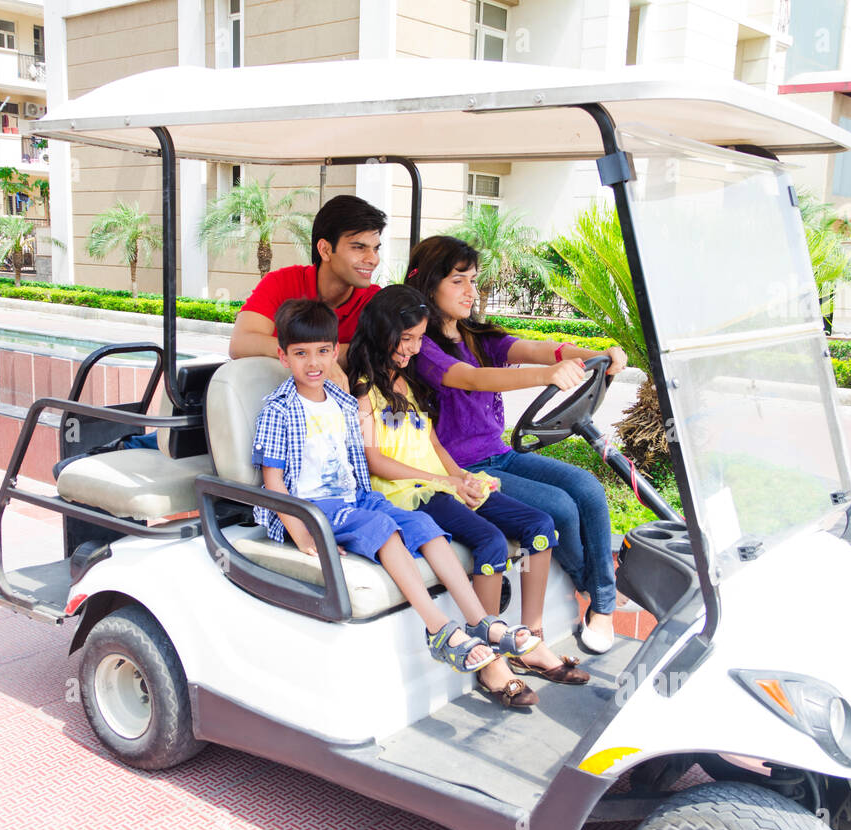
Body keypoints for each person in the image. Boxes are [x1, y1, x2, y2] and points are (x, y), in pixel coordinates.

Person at [252, 297, 541, 707]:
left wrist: (449, 479)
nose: (312, 363)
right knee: (383, 529)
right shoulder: (278, 410)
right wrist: (302, 534)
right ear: (283, 356)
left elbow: (359, 466)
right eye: (300, 354)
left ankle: (482, 622)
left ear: (335, 352)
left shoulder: (341, 402)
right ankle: (439, 628)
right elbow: (273, 481)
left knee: (424, 528)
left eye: (321, 352)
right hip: (314, 509)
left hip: (356, 498)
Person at [346, 285, 590, 685]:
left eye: (419, 339)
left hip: (442, 482)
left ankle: (530, 640)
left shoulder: (407, 383)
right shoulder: (361, 387)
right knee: (491, 540)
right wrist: (444, 481)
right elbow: (375, 460)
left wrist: (460, 478)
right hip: (407, 493)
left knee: (541, 525)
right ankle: (492, 657)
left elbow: (433, 443)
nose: (411, 348)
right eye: (404, 339)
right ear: (380, 331)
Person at [405, 236, 628, 653]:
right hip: (462, 470)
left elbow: (538, 349)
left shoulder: (476, 336)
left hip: (501, 455)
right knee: (559, 506)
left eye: (473, 279)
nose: (471, 290)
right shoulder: (423, 349)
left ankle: (602, 605)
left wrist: (594, 353)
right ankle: (594, 591)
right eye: (458, 281)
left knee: (588, 489)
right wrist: (546, 376)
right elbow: (472, 379)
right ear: (430, 284)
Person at [229, 194, 387, 386]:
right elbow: (240, 343)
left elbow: (380, 354)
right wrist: (321, 359)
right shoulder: (281, 282)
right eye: (359, 247)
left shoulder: (376, 300)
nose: (373, 259)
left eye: (375, 249)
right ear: (325, 250)